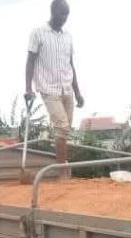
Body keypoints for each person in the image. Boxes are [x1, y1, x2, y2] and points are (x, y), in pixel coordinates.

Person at [25, 0, 85, 166]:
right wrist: (28, 88)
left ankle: (61, 164)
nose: (65, 18)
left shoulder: (68, 36)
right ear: (53, 11)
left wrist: (78, 92)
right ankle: (62, 170)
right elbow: (30, 61)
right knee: (62, 127)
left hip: (67, 88)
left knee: (65, 131)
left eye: (67, 14)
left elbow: (70, 64)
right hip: (48, 87)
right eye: (62, 14)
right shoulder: (38, 32)